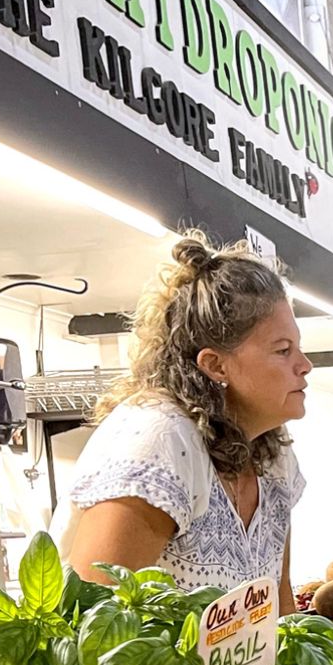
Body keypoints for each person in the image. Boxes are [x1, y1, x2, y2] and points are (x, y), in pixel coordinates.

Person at [62, 233, 308, 595]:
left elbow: (278, 602)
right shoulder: (157, 444)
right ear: (215, 365)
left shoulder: (273, 456)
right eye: (283, 350)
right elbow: (94, 623)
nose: (305, 365)